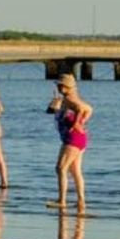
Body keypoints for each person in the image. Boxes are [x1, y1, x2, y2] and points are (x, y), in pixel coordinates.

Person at [47, 73, 93, 212]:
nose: (58, 87)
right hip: (72, 138)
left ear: (67, 87)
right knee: (75, 171)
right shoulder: (66, 99)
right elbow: (89, 109)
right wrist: (82, 121)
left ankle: (62, 200)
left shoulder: (70, 100)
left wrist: (78, 122)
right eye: (58, 85)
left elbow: (81, 109)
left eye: (60, 85)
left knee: (61, 168)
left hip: (74, 138)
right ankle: (81, 201)